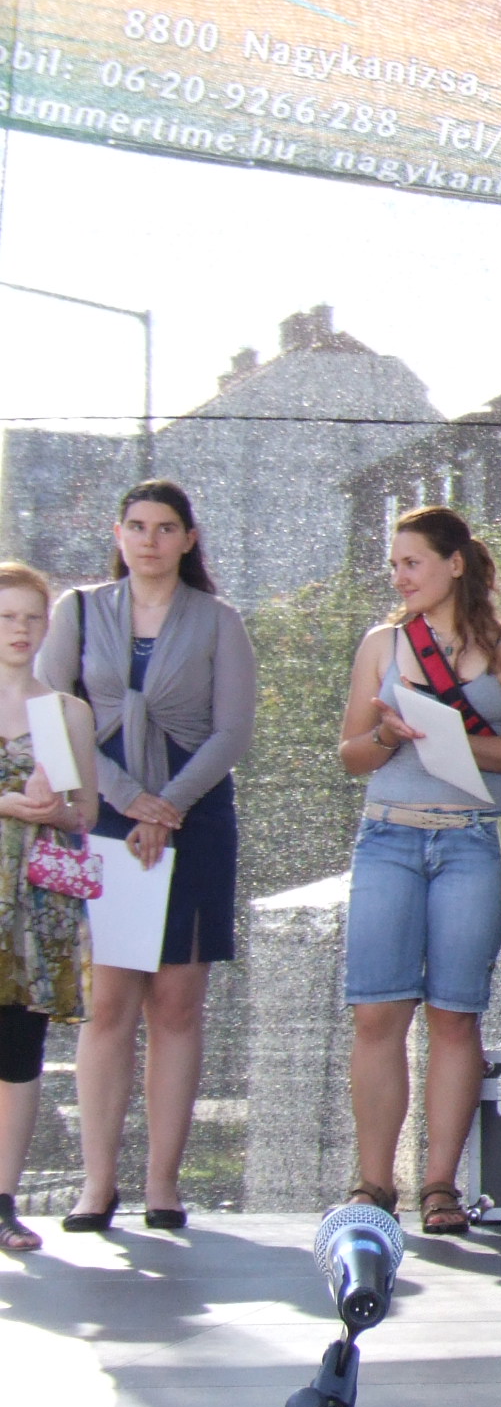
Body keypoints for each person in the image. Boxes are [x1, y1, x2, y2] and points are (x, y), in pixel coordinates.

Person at [37, 480, 254, 1234]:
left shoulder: (219, 620)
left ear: (188, 539)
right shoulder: (77, 610)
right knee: (107, 1005)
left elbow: (232, 731)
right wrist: (131, 800)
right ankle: (98, 1185)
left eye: (165, 528)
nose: (150, 540)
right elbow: (52, 716)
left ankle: (163, 1185)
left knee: (176, 1004)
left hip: (195, 817)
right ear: (118, 533)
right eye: (137, 526)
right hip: (103, 816)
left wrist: (170, 806)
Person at [335, 506, 501, 1236]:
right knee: (377, 1011)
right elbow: (351, 754)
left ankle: (440, 1184)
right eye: (394, 565)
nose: (400, 577)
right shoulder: (383, 643)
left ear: (454, 564)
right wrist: (387, 733)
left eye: (413, 563)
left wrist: (452, 737)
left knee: (454, 1014)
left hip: (474, 838)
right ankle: (373, 1183)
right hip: (390, 835)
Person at [0, 566, 98, 1253]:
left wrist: (54, 811)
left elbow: (85, 811)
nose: (20, 630)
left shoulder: (64, 712)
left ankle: (3, 1199)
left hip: (35, 908)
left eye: (33, 618)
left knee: (18, 1052)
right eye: (7, 617)